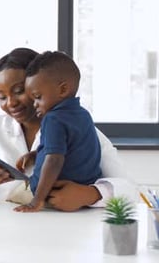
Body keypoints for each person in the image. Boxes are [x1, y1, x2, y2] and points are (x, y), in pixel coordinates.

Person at [0, 47, 136, 211]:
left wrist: (90, 194)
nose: (11, 103)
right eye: (2, 97)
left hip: (62, 235)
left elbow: (130, 190)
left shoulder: (80, 128)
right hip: (4, 235)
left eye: (19, 91)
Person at [14, 51, 101, 213]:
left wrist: (36, 201)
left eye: (38, 97)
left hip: (53, 197)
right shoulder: (83, 115)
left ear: (63, 90)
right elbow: (72, 148)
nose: (35, 105)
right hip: (82, 195)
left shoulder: (53, 118)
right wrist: (36, 154)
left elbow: (54, 160)